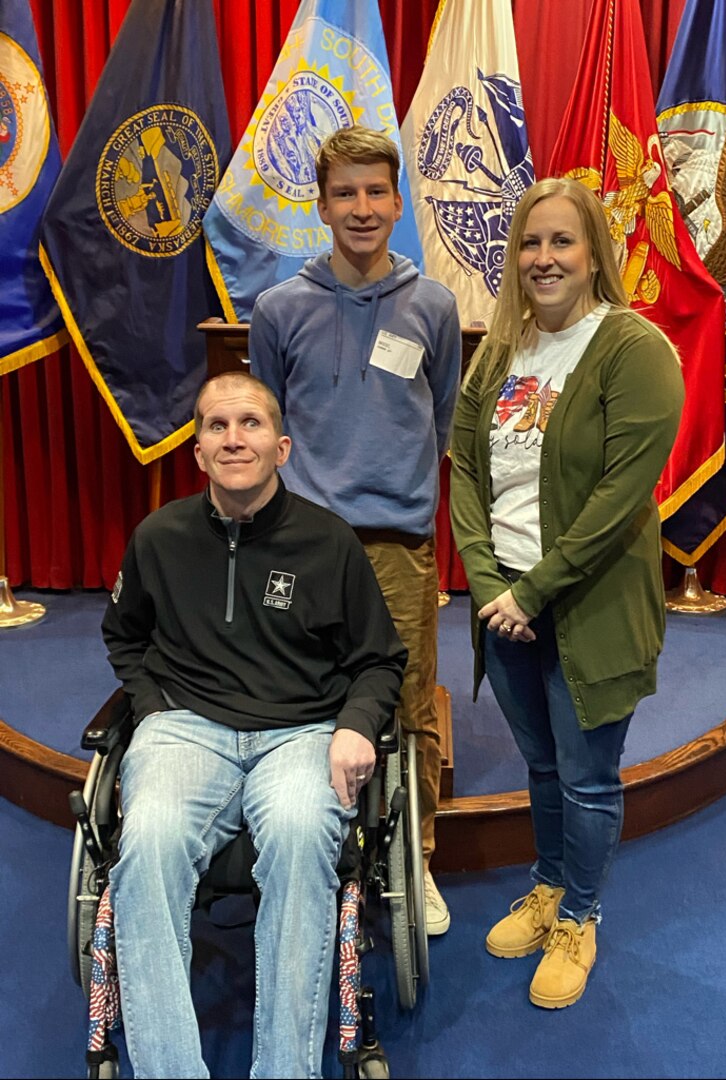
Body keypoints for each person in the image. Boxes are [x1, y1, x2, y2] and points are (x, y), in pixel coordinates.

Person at [102, 372, 406, 1079]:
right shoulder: (159, 537)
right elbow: (124, 636)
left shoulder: (330, 544)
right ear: (198, 452)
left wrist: (357, 725)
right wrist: (154, 710)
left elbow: (380, 661)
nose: (234, 438)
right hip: (187, 730)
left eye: (251, 424)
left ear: (282, 446)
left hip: (301, 731)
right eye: (216, 426)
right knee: (145, 844)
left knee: (304, 841)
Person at [449, 177, 685, 1009]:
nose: (543, 258)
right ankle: (548, 886)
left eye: (561, 242)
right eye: (529, 243)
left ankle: (580, 916)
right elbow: (467, 473)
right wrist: (487, 584)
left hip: (587, 606)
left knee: (587, 776)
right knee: (541, 764)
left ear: (594, 255)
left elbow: (622, 495)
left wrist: (536, 590)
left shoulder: (633, 348)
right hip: (503, 603)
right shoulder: (500, 350)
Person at [249, 125, 462, 935]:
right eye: (346, 193)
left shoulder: (433, 305)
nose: (362, 208)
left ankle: (419, 857)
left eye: (377, 192)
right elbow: (270, 423)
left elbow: (439, 418)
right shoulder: (279, 308)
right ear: (322, 203)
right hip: (303, 543)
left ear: (398, 201)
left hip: (398, 543)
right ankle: (311, 845)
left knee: (407, 706)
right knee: (304, 698)